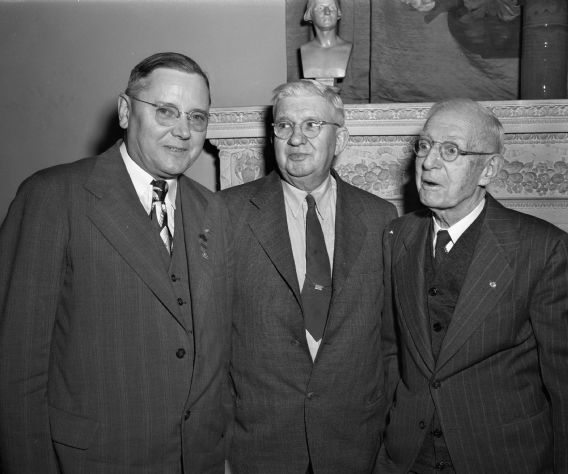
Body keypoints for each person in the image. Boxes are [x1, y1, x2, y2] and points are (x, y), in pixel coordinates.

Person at [0, 52, 232, 473]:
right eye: (166, 111)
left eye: (197, 117)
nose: (183, 130)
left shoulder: (212, 210)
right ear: (124, 111)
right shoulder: (53, 196)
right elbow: (16, 374)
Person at [377, 98, 568, 473]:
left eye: (451, 150)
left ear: (488, 169)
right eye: (425, 146)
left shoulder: (542, 248)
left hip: (503, 458)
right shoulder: (397, 236)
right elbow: (388, 350)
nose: (429, 162)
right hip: (406, 457)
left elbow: (563, 381)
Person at [221, 79, 398, 473]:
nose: (296, 138)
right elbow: (212, 343)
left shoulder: (380, 217)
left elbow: (389, 341)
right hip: (259, 444)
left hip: (355, 444)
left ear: (341, 139)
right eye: (284, 126)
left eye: (312, 125)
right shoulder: (227, 213)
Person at [301, 0, 352, 80]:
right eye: (320, 8)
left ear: (338, 13)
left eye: (332, 7)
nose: (327, 12)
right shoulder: (304, 50)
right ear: (310, 15)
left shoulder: (347, 48)